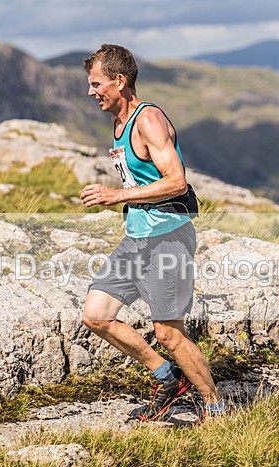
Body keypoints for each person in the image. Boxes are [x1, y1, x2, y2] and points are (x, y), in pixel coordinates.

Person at [80, 44, 226, 423]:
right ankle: (167, 376)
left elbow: (176, 181)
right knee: (96, 315)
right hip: (137, 237)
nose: (91, 92)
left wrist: (117, 195)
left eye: (97, 84)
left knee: (168, 334)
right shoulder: (117, 122)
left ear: (120, 80)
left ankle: (214, 406)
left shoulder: (148, 120)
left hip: (168, 239)